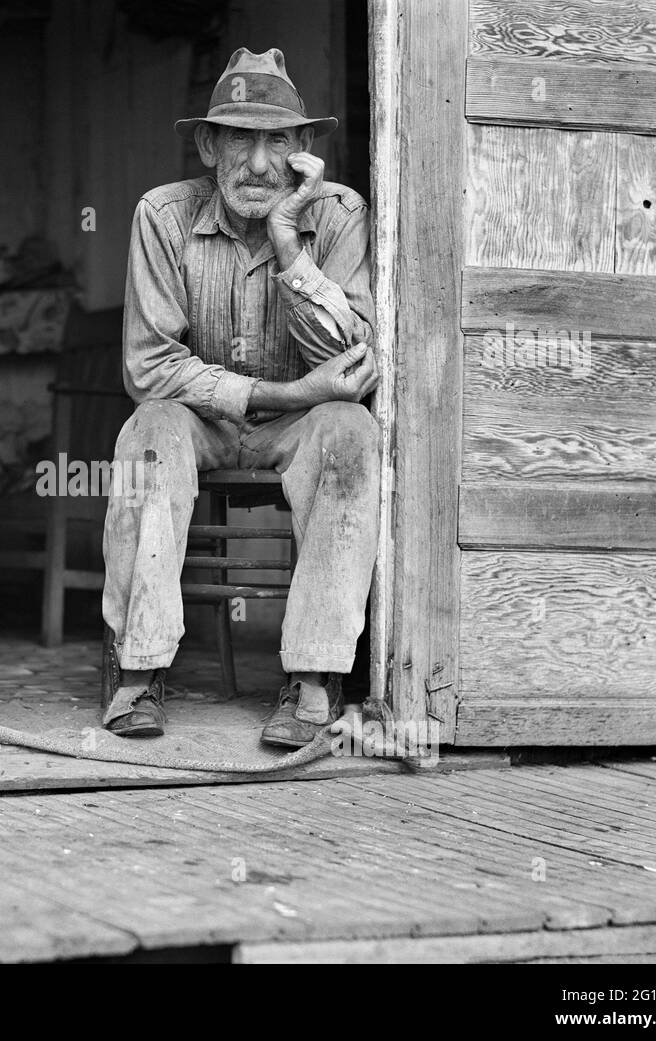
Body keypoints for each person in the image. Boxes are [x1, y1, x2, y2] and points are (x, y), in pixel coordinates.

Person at [101, 47, 379, 747]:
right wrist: (278, 389)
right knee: (149, 428)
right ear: (207, 144)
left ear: (304, 150)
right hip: (203, 422)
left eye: (276, 142)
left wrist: (290, 245)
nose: (258, 165)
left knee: (350, 431)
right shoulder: (161, 216)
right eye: (239, 140)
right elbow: (149, 365)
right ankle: (138, 668)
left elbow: (349, 359)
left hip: (300, 427)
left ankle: (314, 675)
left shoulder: (339, 215)